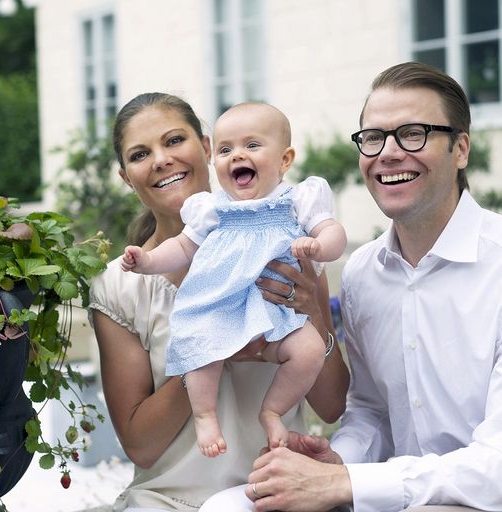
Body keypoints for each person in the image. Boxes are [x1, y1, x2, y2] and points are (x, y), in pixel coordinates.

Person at [201, 62, 502, 512]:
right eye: (374, 138)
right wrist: (338, 460)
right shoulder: (362, 271)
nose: (389, 153)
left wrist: (345, 484)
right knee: (230, 506)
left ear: (460, 149)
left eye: (414, 133)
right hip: (405, 488)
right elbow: (371, 412)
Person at [88, 93, 349, 511]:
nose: (161, 159)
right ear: (126, 177)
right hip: (167, 501)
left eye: (174, 141)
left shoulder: (288, 248)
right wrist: (213, 348)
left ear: (206, 149)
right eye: (140, 154)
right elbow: (141, 446)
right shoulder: (120, 287)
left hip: (274, 492)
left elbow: (332, 406)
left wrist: (314, 314)